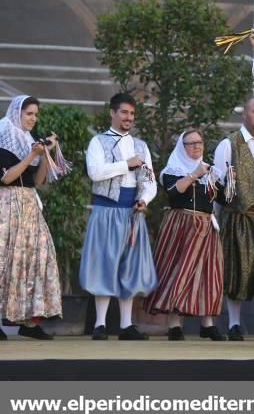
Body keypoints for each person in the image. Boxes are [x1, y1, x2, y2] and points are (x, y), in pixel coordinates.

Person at [80, 92, 158, 341]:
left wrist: (144, 198)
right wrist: (127, 164)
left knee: (129, 267)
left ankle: (126, 325)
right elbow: (95, 173)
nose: (128, 117)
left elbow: (149, 181)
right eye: (124, 112)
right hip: (106, 212)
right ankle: (100, 324)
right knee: (104, 264)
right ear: (112, 113)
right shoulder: (98, 142)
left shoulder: (140, 146)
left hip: (131, 213)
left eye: (132, 113)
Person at [143, 130, 225, 341]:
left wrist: (227, 180)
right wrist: (195, 174)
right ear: (182, 146)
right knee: (177, 270)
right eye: (191, 143)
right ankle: (174, 324)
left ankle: (207, 324)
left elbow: (223, 199)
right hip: (182, 224)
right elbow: (173, 191)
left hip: (206, 226)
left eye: (200, 142)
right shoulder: (173, 169)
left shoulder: (210, 170)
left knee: (208, 274)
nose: (197, 147)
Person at [212, 97, 254, 343]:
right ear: (244, 114)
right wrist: (215, 221)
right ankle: (233, 324)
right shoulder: (228, 145)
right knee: (237, 270)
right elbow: (217, 186)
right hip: (238, 215)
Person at [0, 96, 62, 340]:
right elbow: (6, 177)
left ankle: (29, 321)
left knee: (35, 258)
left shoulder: (28, 140)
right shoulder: (3, 135)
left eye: (35, 115)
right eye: (29, 114)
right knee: (5, 260)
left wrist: (45, 154)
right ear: (17, 113)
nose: (33, 119)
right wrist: (30, 155)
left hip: (28, 204)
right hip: (6, 203)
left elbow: (36, 181)